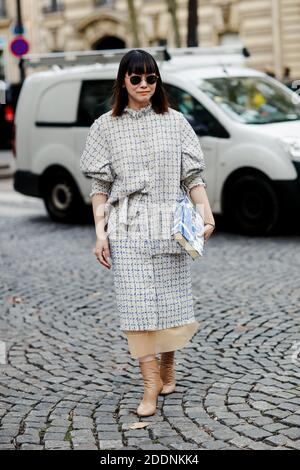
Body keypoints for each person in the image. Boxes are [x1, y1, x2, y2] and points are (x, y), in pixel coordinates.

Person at [80, 49, 215, 417]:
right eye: (136, 78)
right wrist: (100, 233)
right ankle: (150, 383)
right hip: (127, 225)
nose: (143, 85)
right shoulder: (104, 127)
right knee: (136, 306)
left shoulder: (177, 122)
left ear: (158, 81)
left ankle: (168, 366)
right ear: (123, 80)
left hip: (170, 223)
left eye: (150, 78)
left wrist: (207, 215)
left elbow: (192, 178)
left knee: (171, 303)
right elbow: (100, 186)